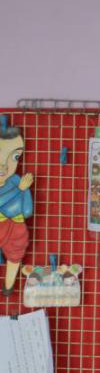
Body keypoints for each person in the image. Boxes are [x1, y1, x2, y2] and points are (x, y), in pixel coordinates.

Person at [0, 126, 34, 297]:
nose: (4, 165)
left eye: (14, 157)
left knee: (15, 254)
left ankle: (8, 286)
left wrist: (24, 190)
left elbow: (27, 210)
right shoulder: (18, 185)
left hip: (16, 227)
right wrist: (19, 191)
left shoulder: (16, 180)